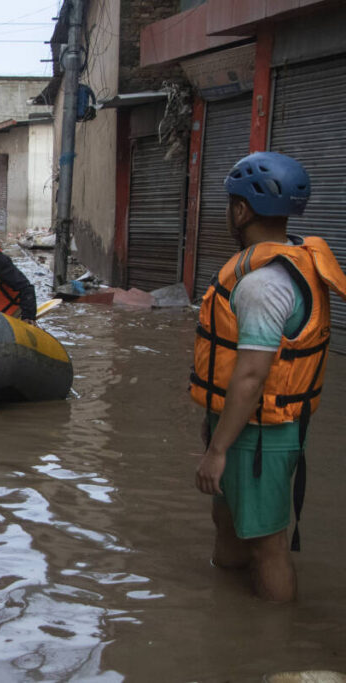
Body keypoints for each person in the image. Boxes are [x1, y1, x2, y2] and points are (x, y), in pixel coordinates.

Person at [191, 152, 346, 602]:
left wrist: (217, 450)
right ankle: (230, 623)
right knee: (230, 522)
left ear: (241, 211)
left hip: (262, 434)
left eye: (229, 204)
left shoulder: (263, 285)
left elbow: (251, 376)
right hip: (246, 425)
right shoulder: (288, 262)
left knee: (268, 545)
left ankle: (275, 647)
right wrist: (216, 430)